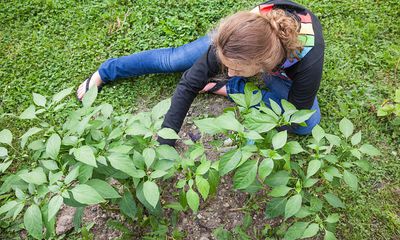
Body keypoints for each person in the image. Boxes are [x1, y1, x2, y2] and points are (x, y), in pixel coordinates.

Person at [76, 0, 324, 146]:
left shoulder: (308, 64)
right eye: (225, 64)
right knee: (175, 60)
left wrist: (248, 143)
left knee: (305, 123)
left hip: (283, 62)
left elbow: (295, 115)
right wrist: (166, 140)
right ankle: (108, 70)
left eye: (235, 69)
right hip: (249, 39)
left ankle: (233, 89)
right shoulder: (232, 43)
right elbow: (188, 83)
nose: (227, 71)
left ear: (261, 66)